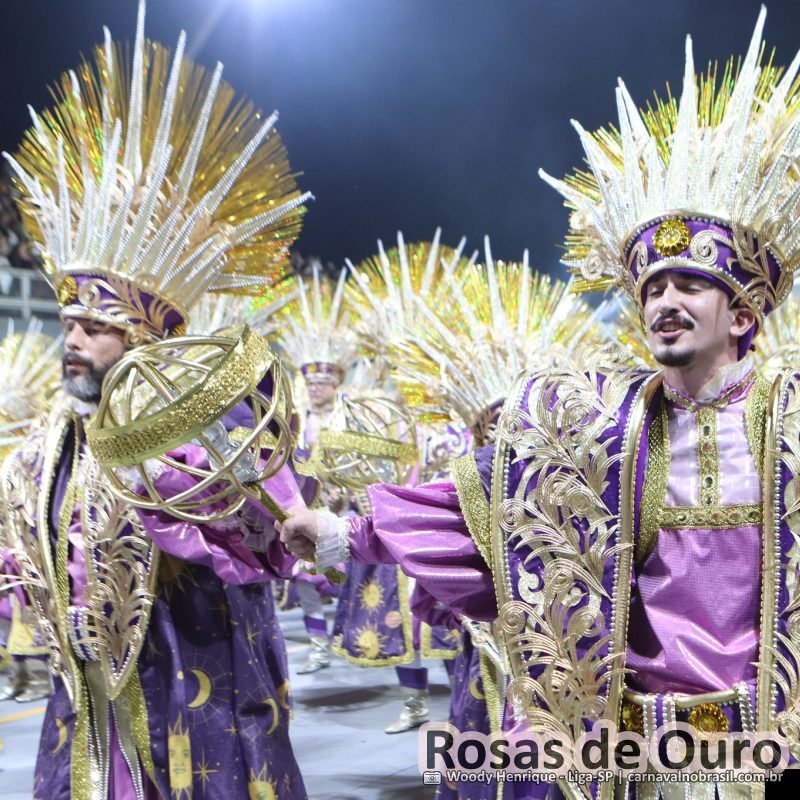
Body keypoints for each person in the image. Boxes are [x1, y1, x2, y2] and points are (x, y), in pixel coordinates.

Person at [280, 9, 800, 800]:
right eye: (651, 286)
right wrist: (341, 533)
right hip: (629, 764)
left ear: (742, 313)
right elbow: (479, 504)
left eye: (691, 282)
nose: (664, 299)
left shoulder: (789, 418)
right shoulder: (594, 427)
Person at [1, 3, 314, 797]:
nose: (72, 340)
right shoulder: (48, 444)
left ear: (139, 341)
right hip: (94, 702)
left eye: (94, 328)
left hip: (200, 676)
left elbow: (271, 536)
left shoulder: (212, 429)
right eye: (67, 323)